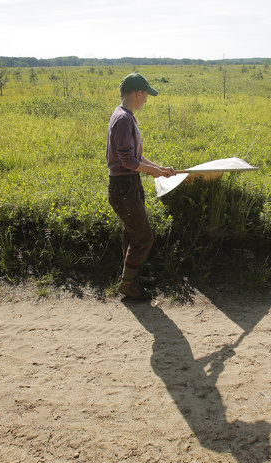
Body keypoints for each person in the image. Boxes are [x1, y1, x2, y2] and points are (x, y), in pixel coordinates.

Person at [106, 73, 174, 299]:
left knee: (131, 233)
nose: (146, 100)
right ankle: (127, 285)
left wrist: (160, 168)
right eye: (146, 95)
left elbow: (136, 158)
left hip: (127, 185)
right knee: (143, 237)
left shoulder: (124, 115)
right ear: (138, 93)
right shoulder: (124, 119)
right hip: (124, 187)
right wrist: (154, 172)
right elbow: (127, 161)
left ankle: (128, 278)